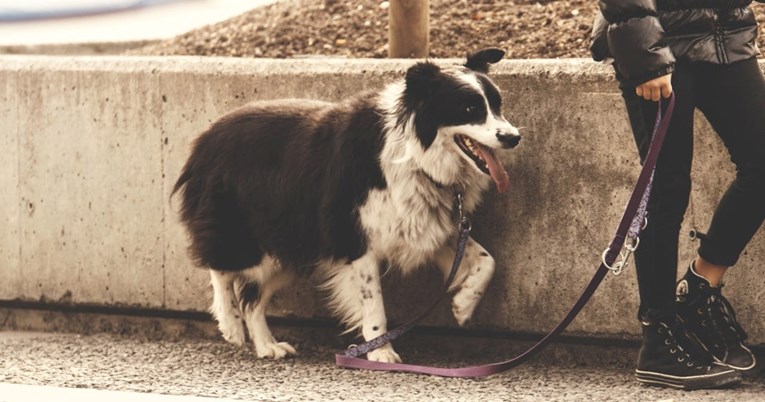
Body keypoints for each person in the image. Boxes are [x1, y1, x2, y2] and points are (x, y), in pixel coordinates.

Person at [590, 0, 765, 390]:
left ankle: (702, 288)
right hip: (659, 39)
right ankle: (659, 337)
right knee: (667, 187)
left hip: (726, 36)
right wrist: (645, 53)